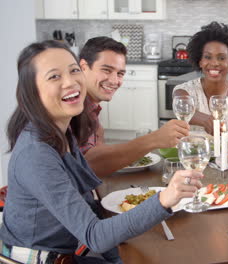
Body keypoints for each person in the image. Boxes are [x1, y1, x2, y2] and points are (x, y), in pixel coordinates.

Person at [0, 40, 203, 264]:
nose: (70, 82)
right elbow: (94, 236)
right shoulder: (36, 153)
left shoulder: (62, 131)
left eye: (73, 70)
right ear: (32, 91)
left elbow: (89, 206)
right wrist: (165, 199)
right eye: (54, 76)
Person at [79, 36, 190, 177]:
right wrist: (154, 139)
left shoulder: (90, 107)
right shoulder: (74, 107)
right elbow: (87, 165)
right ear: (83, 67)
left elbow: (96, 159)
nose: (114, 80)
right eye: (106, 70)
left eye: (120, 74)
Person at [173, 21, 228, 136]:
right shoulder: (184, 91)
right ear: (200, 62)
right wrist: (206, 120)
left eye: (221, 58)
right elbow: (182, 108)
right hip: (192, 154)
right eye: (208, 57)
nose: (214, 63)